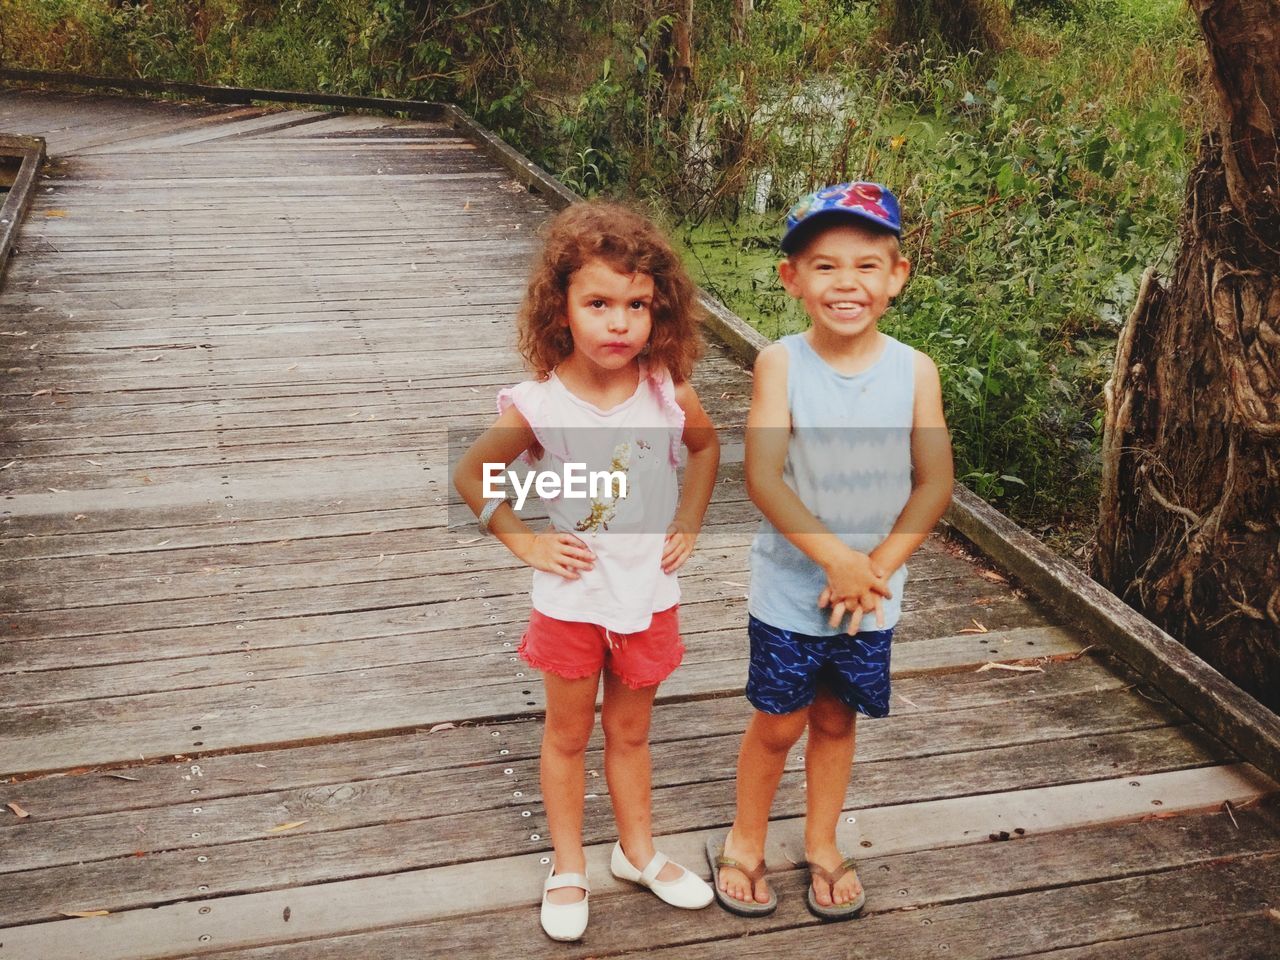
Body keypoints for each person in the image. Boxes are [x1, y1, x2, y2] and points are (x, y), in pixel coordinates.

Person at [454, 202, 719, 942]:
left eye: (637, 305)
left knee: (631, 735)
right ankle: (568, 864)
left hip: (648, 597)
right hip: (572, 603)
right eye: (598, 303)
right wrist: (525, 543)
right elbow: (474, 475)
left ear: (658, 312)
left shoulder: (667, 392)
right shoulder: (540, 405)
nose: (618, 323)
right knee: (567, 736)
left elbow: (706, 449)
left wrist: (689, 520)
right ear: (561, 308)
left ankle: (638, 852)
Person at [707, 182, 954, 921]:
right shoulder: (781, 364)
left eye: (867, 266)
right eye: (824, 266)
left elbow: (935, 481)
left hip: (874, 592)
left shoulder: (916, 371)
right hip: (792, 587)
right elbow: (762, 476)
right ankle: (745, 839)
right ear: (792, 279)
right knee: (779, 721)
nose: (847, 284)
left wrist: (873, 568)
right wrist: (835, 560)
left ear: (898, 276)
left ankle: (821, 840)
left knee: (837, 718)